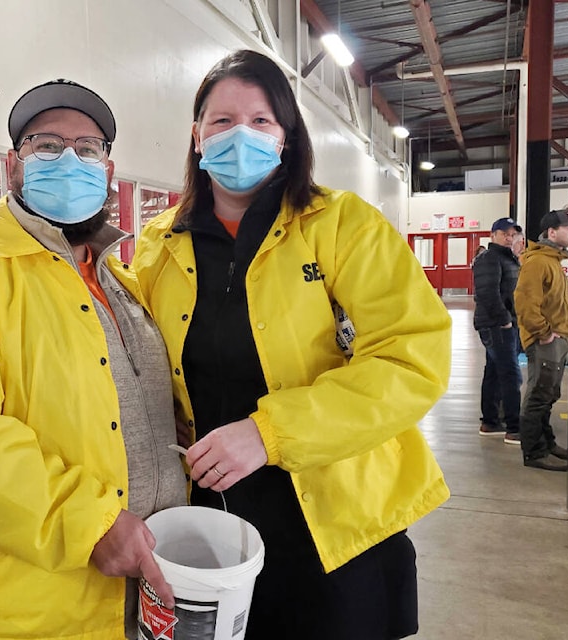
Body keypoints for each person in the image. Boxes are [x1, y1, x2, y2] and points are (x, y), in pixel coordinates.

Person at [132, 49, 452, 640]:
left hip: (335, 516)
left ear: (286, 137)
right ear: (196, 135)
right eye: (222, 121)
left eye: (261, 121)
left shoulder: (341, 226)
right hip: (211, 516)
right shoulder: (158, 245)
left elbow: (412, 356)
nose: (240, 135)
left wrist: (269, 433)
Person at [0, 79, 187, 640]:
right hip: (16, 610)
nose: (70, 158)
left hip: (131, 597)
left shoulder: (119, 281)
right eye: (46, 145)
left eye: (88, 148)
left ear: (108, 172)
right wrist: (88, 525)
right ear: (13, 165)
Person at [515, 209, 568, 472]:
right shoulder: (538, 261)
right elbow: (526, 303)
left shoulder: (554, 261)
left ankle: (546, 442)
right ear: (552, 232)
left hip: (557, 338)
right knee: (539, 393)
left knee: (550, 393)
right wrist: (544, 333)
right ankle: (534, 452)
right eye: (567, 228)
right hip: (545, 340)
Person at [472, 217, 523, 444]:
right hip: (496, 325)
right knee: (511, 374)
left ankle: (490, 421)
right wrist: (505, 320)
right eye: (505, 234)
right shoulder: (489, 259)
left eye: (512, 234)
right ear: (493, 235)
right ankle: (514, 428)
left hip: (501, 324)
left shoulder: (507, 258)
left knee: (493, 372)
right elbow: (487, 292)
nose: (509, 238)